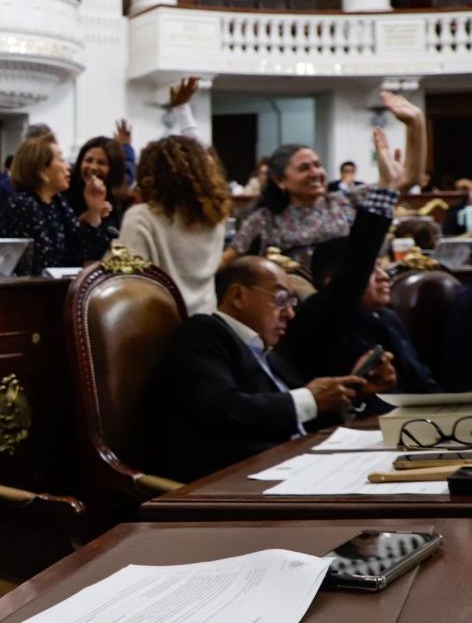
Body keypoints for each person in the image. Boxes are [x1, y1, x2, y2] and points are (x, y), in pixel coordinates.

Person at [149, 255, 396, 482]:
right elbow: (224, 411)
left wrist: (351, 393)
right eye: (280, 300)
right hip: (238, 478)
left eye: (292, 302)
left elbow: (295, 416)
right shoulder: (204, 333)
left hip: (296, 465)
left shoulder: (269, 354)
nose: (290, 313)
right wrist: (310, 399)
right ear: (238, 296)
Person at [280, 137, 443, 408]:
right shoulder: (319, 316)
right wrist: (387, 190)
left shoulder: (386, 317)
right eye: (372, 270)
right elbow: (354, 270)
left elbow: (424, 383)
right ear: (333, 283)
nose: (383, 276)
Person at [226, 91, 425, 266]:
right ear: (280, 180)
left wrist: (415, 124)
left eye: (318, 165)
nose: (315, 173)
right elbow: (229, 260)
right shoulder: (264, 219)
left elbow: (408, 180)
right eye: (304, 168)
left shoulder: (344, 200)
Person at [119, 135, 231, 315]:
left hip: (161, 329)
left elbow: (128, 284)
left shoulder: (142, 217)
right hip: (208, 328)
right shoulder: (215, 218)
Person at [0, 132, 113, 275]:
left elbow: (83, 250)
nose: (68, 167)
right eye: (61, 159)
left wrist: (94, 210)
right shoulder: (23, 204)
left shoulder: (57, 201)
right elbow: (45, 265)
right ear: (42, 169)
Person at [64, 136, 129, 234]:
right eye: (89, 160)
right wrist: (92, 214)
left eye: (101, 163)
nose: (93, 167)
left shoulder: (122, 201)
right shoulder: (65, 191)